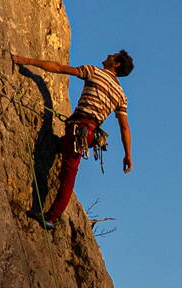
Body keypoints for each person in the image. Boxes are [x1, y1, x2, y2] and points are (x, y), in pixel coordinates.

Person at [12, 50, 134, 225]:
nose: (108, 55)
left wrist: (26, 60)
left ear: (117, 64)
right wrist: (128, 154)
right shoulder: (121, 95)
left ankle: (51, 218)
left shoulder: (94, 72)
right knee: (65, 154)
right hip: (88, 134)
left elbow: (59, 68)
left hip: (79, 130)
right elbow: (124, 127)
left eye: (112, 56)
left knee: (69, 175)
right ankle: (59, 145)